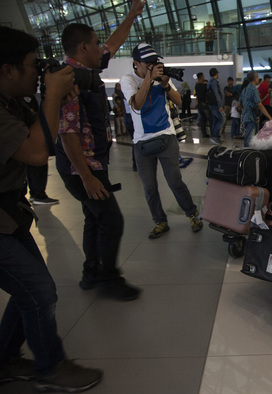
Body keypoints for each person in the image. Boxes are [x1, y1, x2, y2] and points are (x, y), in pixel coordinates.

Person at [0, 25, 103, 392]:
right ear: (7, 69)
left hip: (9, 218)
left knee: (30, 290)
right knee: (40, 291)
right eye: (32, 66)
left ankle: (5, 359)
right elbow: (34, 152)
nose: (38, 71)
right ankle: (50, 367)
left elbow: (42, 131)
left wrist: (54, 98)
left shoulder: (12, 101)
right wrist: (52, 97)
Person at [55, 2, 145, 301]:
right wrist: (86, 177)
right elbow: (67, 133)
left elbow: (113, 42)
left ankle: (91, 272)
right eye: (95, 44)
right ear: (82, 47)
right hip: (82, 166)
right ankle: (107, 277)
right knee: (111, 219)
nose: (102, 49)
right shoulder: (69, 80)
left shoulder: (86, 71)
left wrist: (131, 14)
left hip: (90, 163)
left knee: (95, 218)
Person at [120, 42, 203, 239]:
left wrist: (165, 85)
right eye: (148, 63)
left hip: (166, 135)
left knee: (175, 181)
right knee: (149, 187)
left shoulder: (161, 78)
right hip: (142, 142)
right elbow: (137, 105)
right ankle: (160, 221)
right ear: (136, 64)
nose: (153, 66)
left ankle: (192, 214)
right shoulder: (128, 80)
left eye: (155, 62)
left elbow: (179, 101)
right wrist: (149, 79)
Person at [24, 96, 59, 205]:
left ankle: (37, 193)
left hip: (32, 138)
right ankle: (37, 193)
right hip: (29, 139)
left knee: (38, 166)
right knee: (36, 166)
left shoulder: (29, 98)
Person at [239, 70, 272, 147]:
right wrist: (269, 117)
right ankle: (247, 155)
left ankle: (248, 153)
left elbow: (240, 103)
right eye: (257, 77)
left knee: (250, 137)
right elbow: (260, 105)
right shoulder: (254, 89)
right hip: (251, 117)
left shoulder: (245, 89)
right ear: (255, 78)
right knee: (250, 139)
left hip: (246, 115)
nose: (258, 79)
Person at [207, 67, 224, 144]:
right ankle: (215, 136)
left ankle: (214, 137)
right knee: (221, 119)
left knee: (215, 120)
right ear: (215, 74)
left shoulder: (209, 82)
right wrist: (220, 105)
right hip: (215, 104)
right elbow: (216, 94)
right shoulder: (214, 82)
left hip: (211, 104)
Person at [194, 72, 212, 138]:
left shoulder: (196, 85)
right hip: (204, 104)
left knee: (203, 120)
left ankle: (204, 133)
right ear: (201, 77)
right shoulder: (203, 86)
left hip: (199, 104)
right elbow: (207, 91)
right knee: (210, 118)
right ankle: (212, 133)